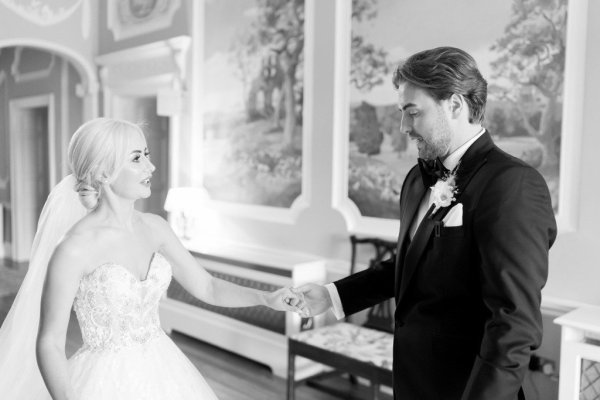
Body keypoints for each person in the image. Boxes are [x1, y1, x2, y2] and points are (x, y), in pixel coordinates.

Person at [297, 47, 557, 399]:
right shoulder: (416, 181)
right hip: (415, 383)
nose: (403, 127)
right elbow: (409, 267)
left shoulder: (513, 184)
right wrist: (332, 296)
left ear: (454, 105)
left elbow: (514, 322)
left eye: (412, 112)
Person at [0, 117, 305, 400]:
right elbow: (50, 343)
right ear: (103, 172)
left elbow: (207, 287)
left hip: (166, 369)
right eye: (137, 158)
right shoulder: (74, 248)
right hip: (105, 383)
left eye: (146, 154)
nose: (151, 166)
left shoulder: (156, 227)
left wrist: (267, 299)